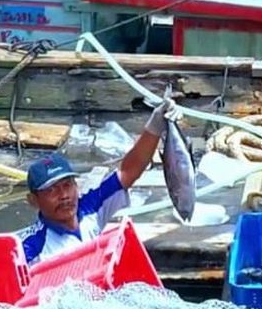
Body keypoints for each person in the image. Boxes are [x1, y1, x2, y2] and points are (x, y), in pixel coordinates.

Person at [18, 96, 179, 264]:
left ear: (76, 186)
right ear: (33, 200)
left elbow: (128, 171)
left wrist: (156, 124)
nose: (64, 195)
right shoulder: (31, 248)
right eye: (52, 190)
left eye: (67, 185)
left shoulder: (90, 208)